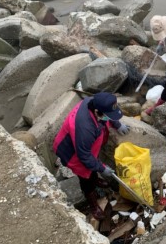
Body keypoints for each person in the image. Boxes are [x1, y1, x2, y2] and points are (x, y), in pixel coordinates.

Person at [53, 92, 130, 220]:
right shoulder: (84, 128)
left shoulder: (96, 103)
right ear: (97, 112)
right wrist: (102, 168)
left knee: (92, 168)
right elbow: (84, 156)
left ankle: (95, 179)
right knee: (86, 179)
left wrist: (117, 124)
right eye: (107, 116)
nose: (109, 118)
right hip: (73, 153)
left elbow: (109, 115)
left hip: (86, 148)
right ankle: (93, 205)